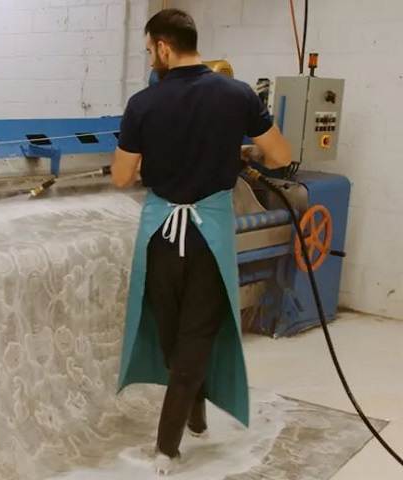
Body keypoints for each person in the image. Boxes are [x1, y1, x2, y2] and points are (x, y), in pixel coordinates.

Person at [111, 8, 292, 476]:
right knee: (197, 334)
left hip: (162, 235)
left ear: (164, 47)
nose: (150, 58)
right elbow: (280, 155)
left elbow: (121, 177)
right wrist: (241, 151)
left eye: (149, 50)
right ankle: (193, 416)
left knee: (175, 335)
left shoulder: (143, 103)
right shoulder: (238, 94)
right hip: (209, 234)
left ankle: (166, 446)